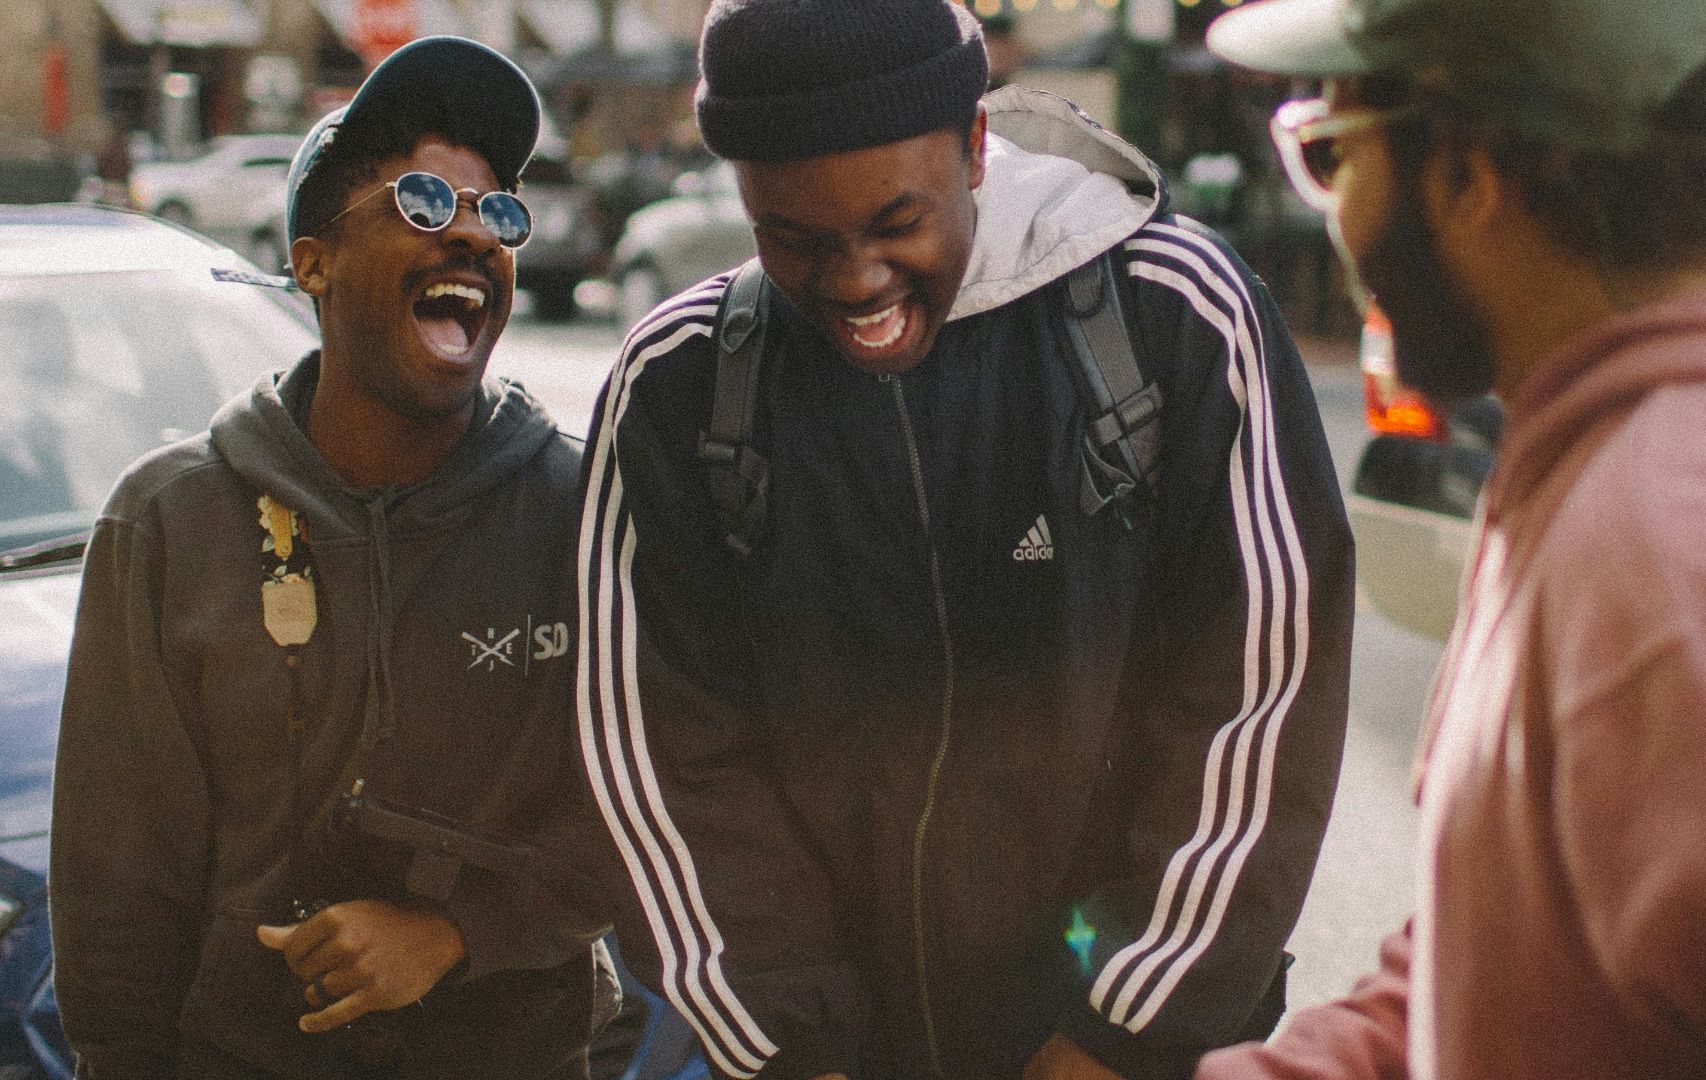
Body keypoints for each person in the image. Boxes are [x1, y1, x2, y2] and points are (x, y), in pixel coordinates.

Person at [576, 2, 1355, 1079]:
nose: (855, 281)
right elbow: (661, 763)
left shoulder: (1178, 315)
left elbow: (1259, 702)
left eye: (897, 222)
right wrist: (797, 1045)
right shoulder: (675, 388)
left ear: (977, 147)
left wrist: (1115, 1034)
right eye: (795, 238)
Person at [1198, 0, 1706, 1076]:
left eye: (1331, 151)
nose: (1335, 216)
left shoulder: (1680, 563)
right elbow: (1502, 938)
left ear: (1469, 174)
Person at [50, 36, 619, 1079]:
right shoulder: (168, 524)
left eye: (497, 214)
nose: (471, 237)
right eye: (420, 204)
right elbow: (116, 897)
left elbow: (658, 814)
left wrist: (458, 933)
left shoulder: (582, 505)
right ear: (312, 261)